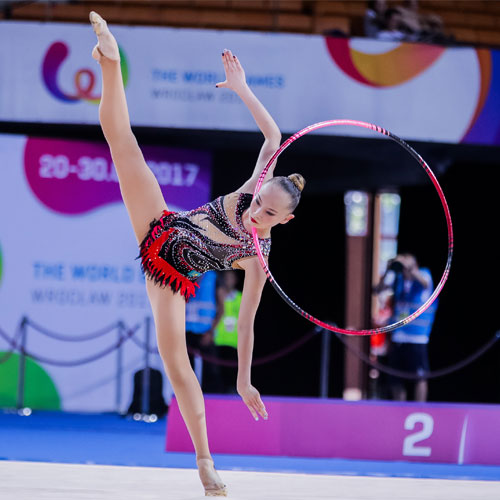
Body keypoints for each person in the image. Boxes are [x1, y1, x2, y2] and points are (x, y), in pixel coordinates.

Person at [89, 11, 305, 497]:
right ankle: (109, 59)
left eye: (269, 215)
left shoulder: (257, 259)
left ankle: (205, 463)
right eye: (258, 203)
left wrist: (245, 380)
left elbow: (246, 323)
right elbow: (273, 138)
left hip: (169, 276)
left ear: (284, 221)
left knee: (179, 368)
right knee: (123, 144)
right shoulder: (253, 188)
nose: (256, 214)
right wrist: (243, 89)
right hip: (160, 223)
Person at [374, 253, 437, 402]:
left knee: (419, 376)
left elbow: (425, 283)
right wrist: (389, 270)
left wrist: (410, 267)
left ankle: (419, 409)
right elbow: (377, 290)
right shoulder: (398, 279)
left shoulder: (424, 274)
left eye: (407, 261)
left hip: (417, 338)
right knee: (395, 378)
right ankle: (399, 409)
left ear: (415, 264)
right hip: (398, 336)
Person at [185, 271, 223, 393]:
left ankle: (211, 399)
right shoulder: (186, 274)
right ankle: (188, 398)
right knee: (186, 369)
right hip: (187, 330)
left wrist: (211, 332)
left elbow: (221, 309)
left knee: (211, 370)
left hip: (206, 331)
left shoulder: (214, 277)